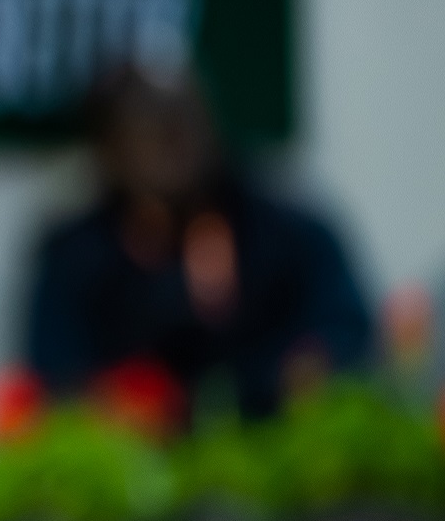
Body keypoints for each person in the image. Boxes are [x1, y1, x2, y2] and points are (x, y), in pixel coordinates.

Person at [24, 66, 373, 425]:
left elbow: (345, 331)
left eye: (181, 125)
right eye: (148, 132)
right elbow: (57, 377)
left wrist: (302, 372)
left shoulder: (285, 233)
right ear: (109, 150)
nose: (170, 145)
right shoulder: (79, 256)